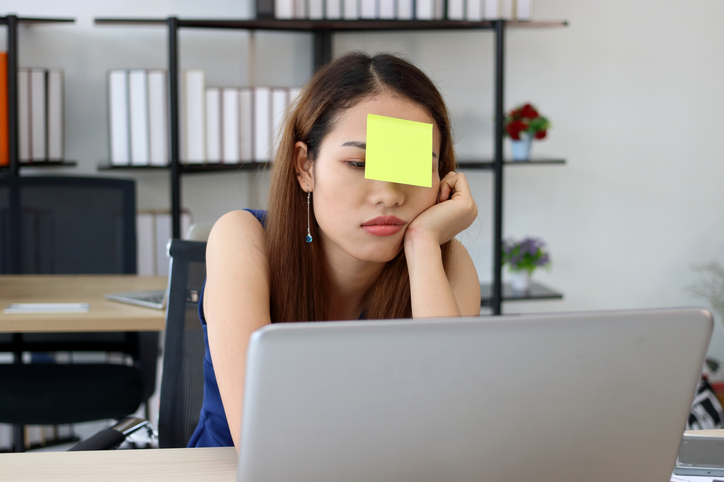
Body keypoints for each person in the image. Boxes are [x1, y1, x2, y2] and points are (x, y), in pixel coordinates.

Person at [188, 52, 481, 449]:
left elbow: (452, 435)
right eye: (359, 163)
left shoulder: (445, 263)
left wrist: (423, 243)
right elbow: (266, 445)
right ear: (304, 166)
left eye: (413, 167)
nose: (390, 195)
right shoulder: (242, 237)